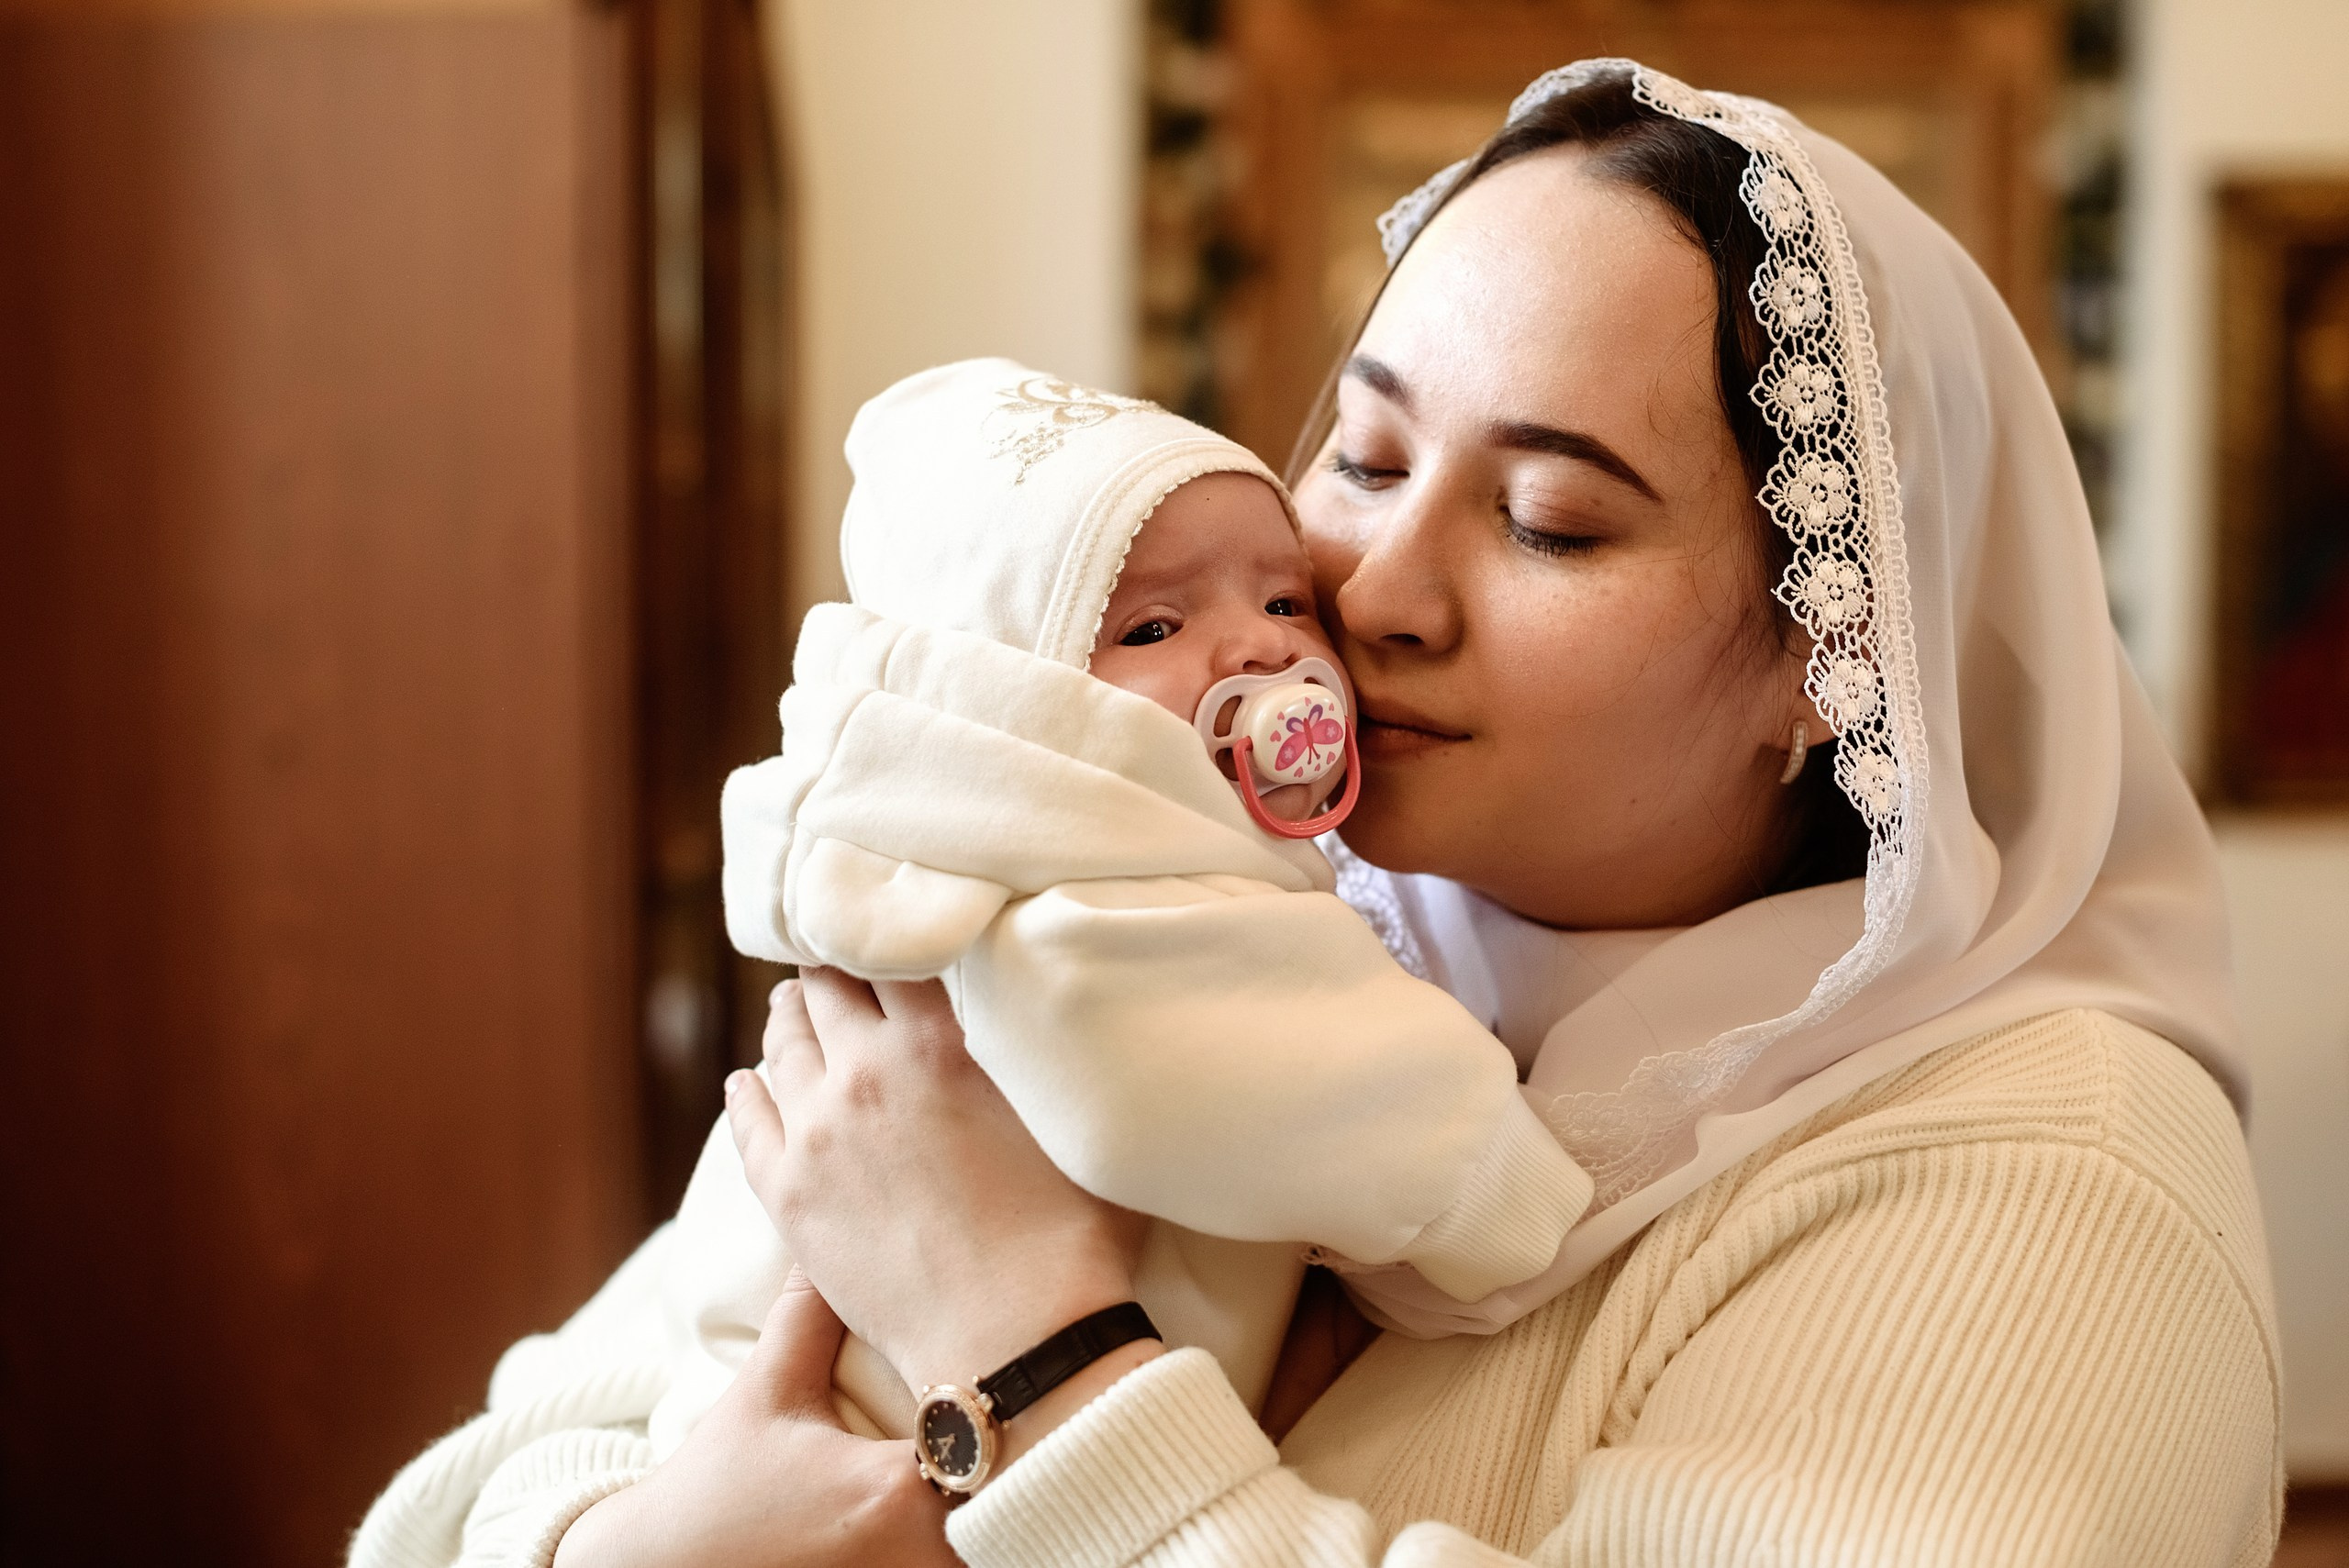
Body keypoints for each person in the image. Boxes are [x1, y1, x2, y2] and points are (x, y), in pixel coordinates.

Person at [352, 60, 2279, 1568]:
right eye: (1356, 454)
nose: (1374, 586)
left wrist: (1018, 1335)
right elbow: (449, 1500)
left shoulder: (2039, 1165)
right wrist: (655, 1537)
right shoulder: (1166, 914)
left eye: (1547, 520)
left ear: (1830, 656)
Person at [647, 357, 1588, 1456]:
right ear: (1018, 703)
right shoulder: (1093, 899)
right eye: (1150, 630)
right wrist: (1496, 1189)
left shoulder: (986, 859)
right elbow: (1301, 1066)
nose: (1264, 646)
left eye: (1284, 598)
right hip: (872, 1425)